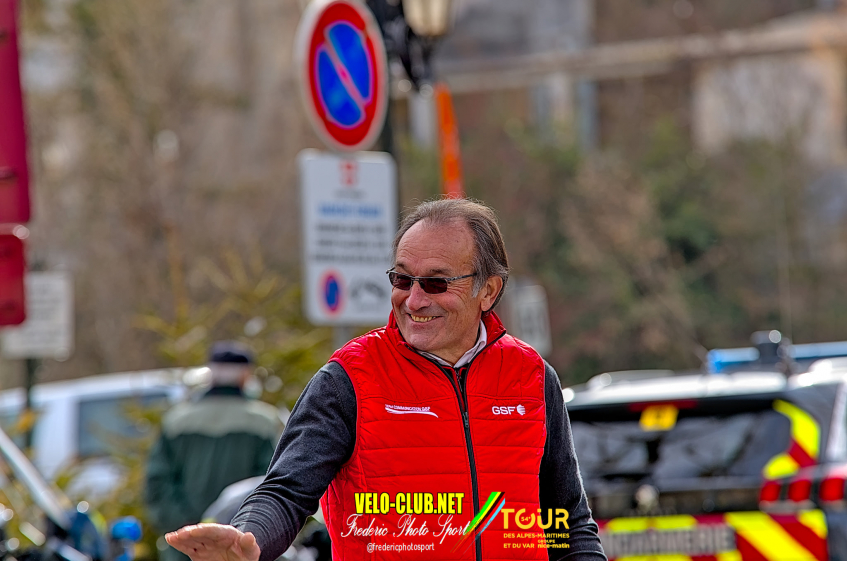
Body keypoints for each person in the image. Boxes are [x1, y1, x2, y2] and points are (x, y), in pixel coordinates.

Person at [166, 199, 606, 561]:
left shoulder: (531, 376)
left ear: (488, 291)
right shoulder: (348, 378)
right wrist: (249, 540)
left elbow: (567, 522)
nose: (413, 300)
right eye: (401, 279)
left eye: (435, 283)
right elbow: (285, 491)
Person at [146, 341, 283, 561]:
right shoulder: (264, 422)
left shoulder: (177, 421)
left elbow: (158, 484)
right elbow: (269, 485)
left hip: (184, 546)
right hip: (239, 546)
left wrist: (187, 528)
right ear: (245, 375)